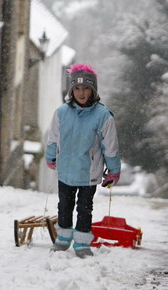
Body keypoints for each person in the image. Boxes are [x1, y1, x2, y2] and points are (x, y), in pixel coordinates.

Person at [45, 63, 121, 258]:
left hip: (89, 172)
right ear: (71, 90)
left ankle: (81, 242)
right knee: (64, 206)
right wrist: (51, 156)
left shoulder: (103, 115)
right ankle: (63, 238)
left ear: (93, 90)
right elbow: (53, 137)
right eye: (77, 88)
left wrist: (113, 171)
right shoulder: (62, 112)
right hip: (66, 169)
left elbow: (110, 146)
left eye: (86, 88)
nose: (81, 92)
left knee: (84, 208)